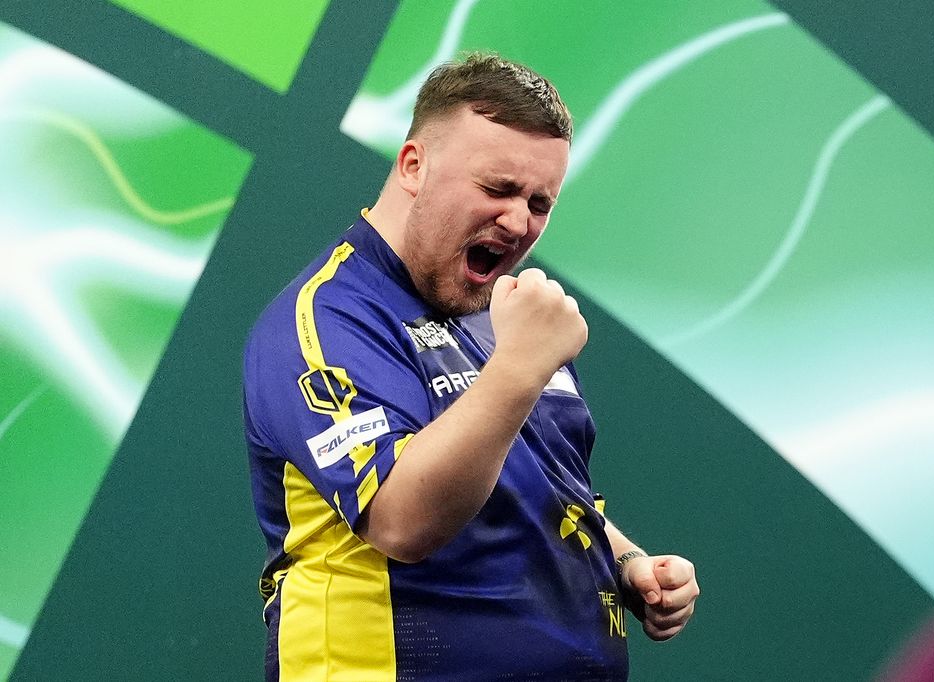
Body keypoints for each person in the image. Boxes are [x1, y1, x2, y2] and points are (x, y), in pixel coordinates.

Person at [244, 52, 699, 681]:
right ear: (414, 166)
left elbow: (545, 485)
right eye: (498, 189)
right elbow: (402, 519)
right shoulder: (328, 315)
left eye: (540, 202)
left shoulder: (502, 316)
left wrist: (625, 563)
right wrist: (519, 367)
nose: (519, 221)